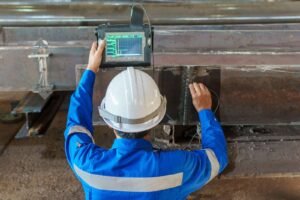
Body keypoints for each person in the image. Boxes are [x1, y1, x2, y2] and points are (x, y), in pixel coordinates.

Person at [64, 40, 228, 200]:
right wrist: (205, 110)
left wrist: (91, 69)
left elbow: (76, 126)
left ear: (109, 122)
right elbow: (217, 157)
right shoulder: (177, 165)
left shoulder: (87, 164)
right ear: (156, 120)